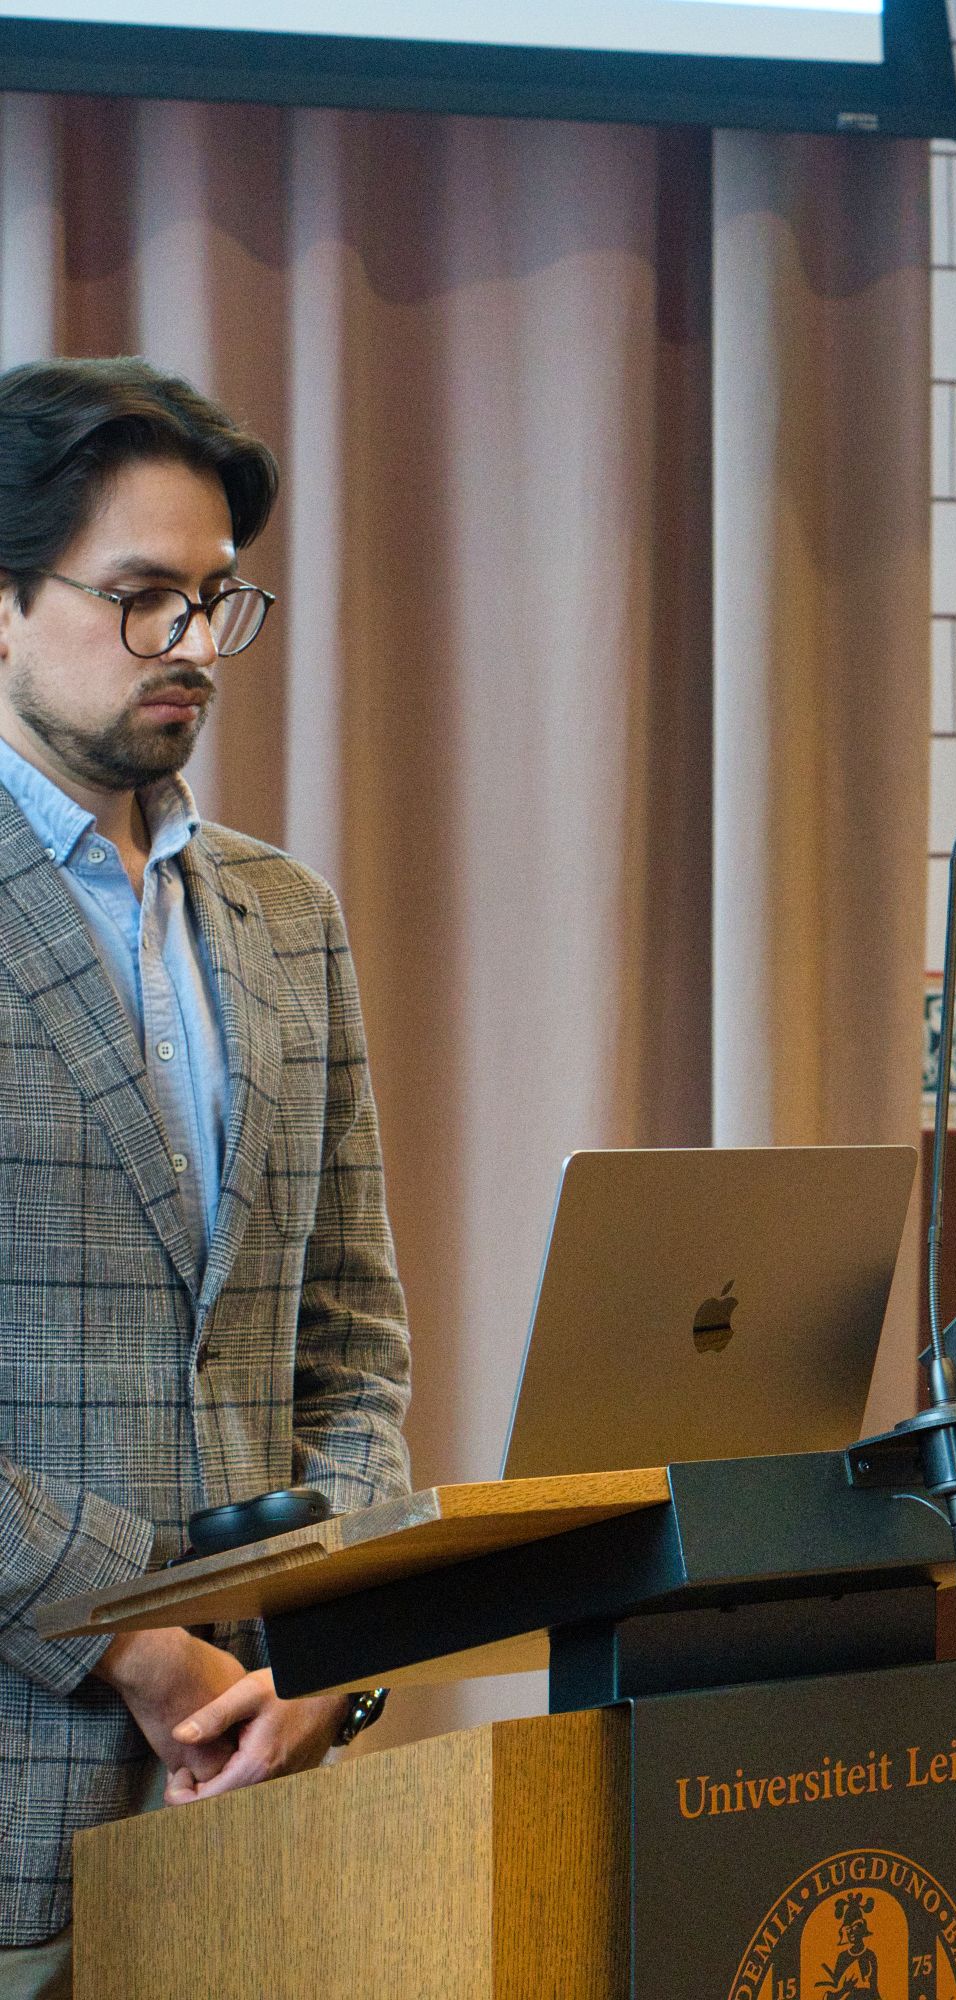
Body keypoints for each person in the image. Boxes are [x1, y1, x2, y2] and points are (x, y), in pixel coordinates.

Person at [0, 357, 412, 1995]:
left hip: (262, 1798)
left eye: (218, 603)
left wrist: (337, 1644)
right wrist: (126, 1639)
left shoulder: (285, 915)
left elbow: (356, 1341)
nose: (189, 646)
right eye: (141, 597)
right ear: (6, 606)